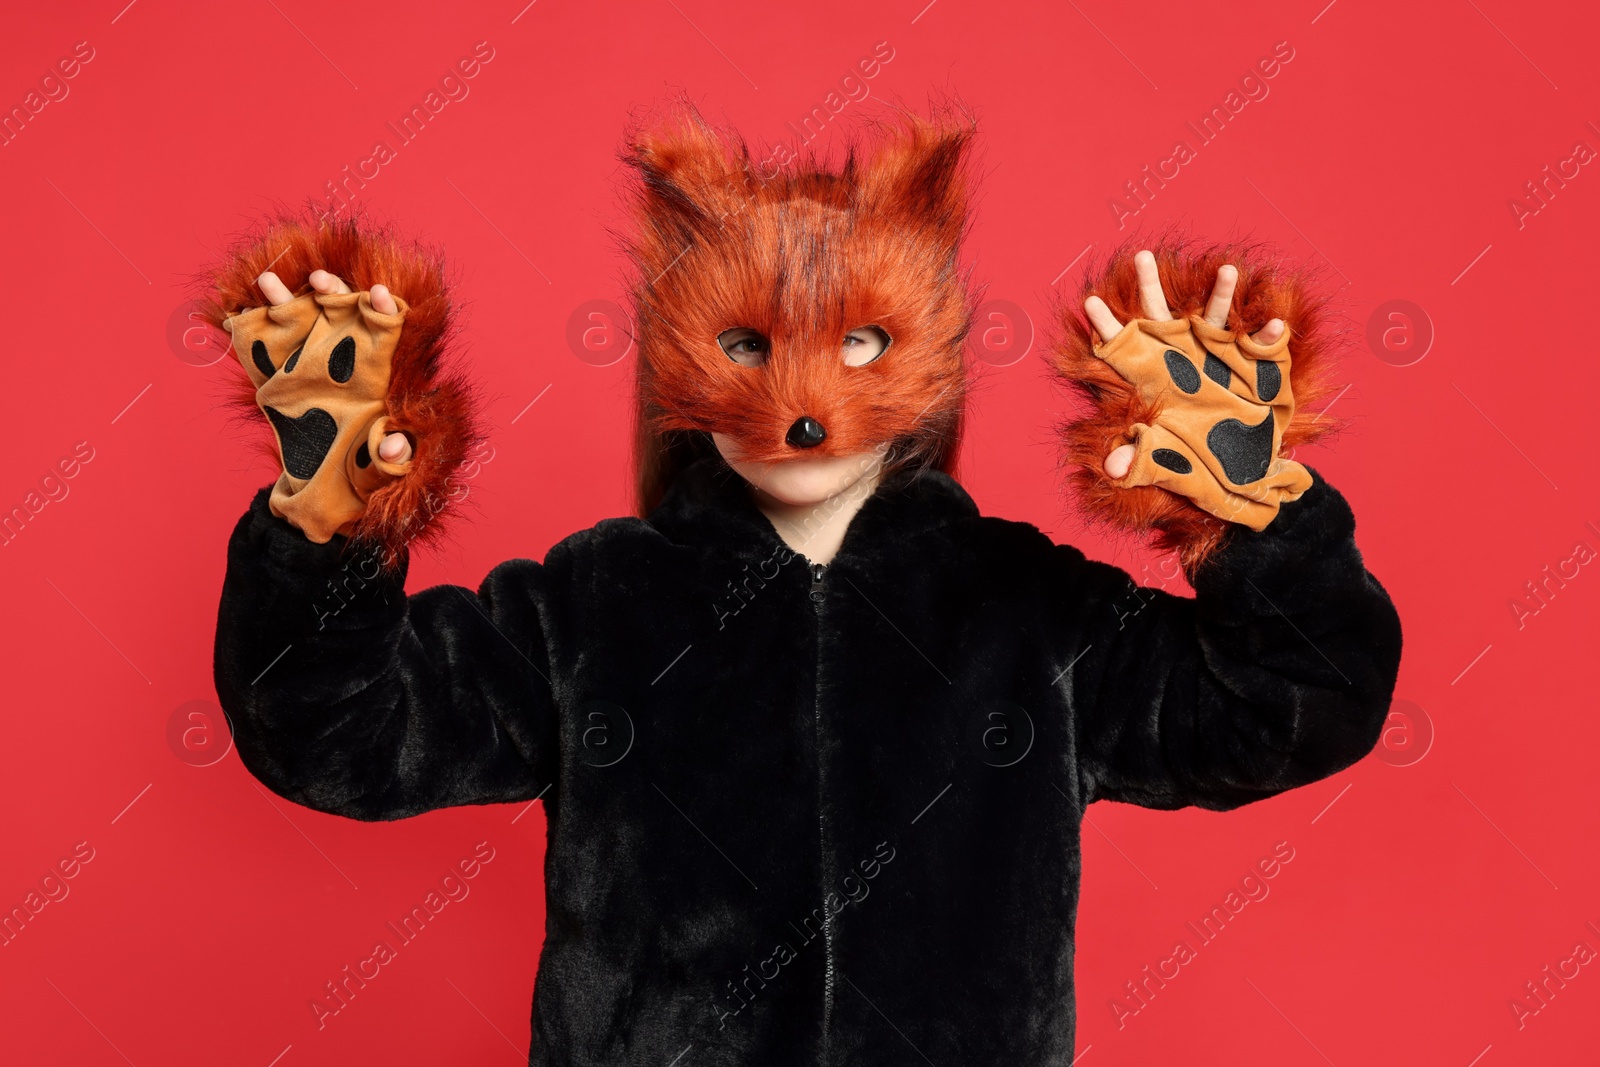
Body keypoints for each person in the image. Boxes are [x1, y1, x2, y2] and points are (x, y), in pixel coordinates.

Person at [206, 105, 1402, 1066]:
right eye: (745, 343)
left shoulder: (1032, 612)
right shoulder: (592, 606)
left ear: (927, 351)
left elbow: (1292, 707)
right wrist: (329, 521)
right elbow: (336, 736)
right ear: (679, 354)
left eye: (863, 342)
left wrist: (1253, 516)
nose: (803, 400)